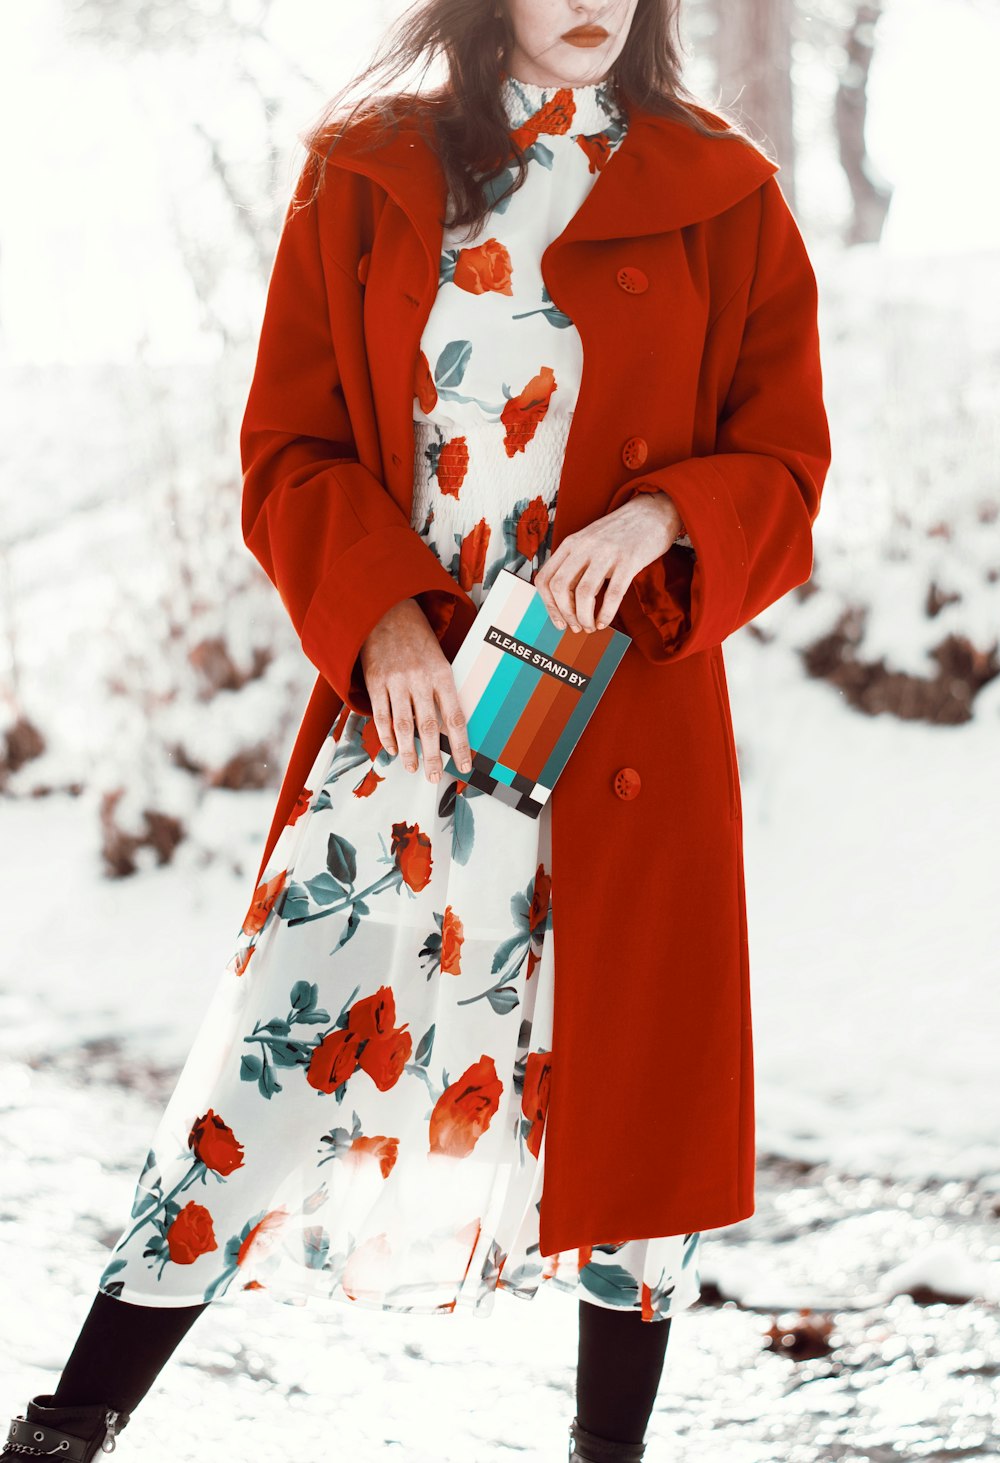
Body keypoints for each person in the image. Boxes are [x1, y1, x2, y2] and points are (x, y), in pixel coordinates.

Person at [3, 1, 831, 1460]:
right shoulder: (368, 172)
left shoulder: (729, 193)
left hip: (623, 731)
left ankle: (608, 1453)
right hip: (411, 713)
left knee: (636, 1120)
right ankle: (68, 1429)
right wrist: (380, 616)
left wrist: (666, 516)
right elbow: (288, 449)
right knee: (278, 1042)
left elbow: (786, 465)